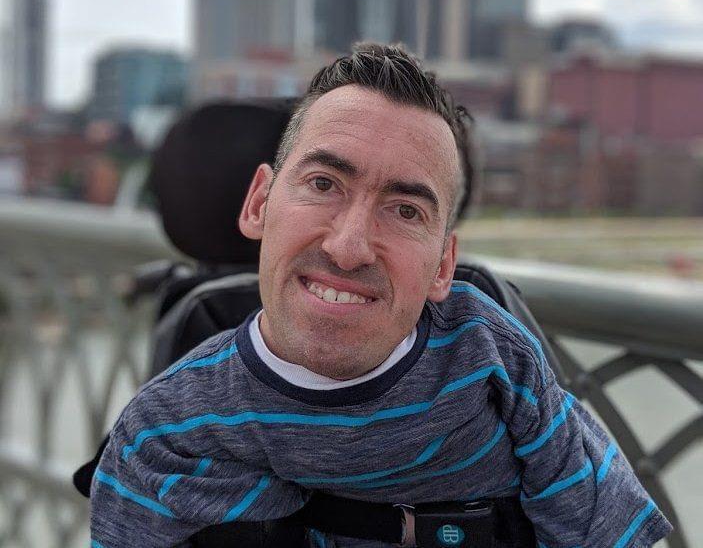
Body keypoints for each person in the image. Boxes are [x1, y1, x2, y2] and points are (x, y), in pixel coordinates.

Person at [90, 44, 672, 548]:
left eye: (405, 211)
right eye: (324, 184)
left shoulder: (494, 355)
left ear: (444, 265)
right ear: (259, 203)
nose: (349, 249)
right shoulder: (160, 433)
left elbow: (602, 529)